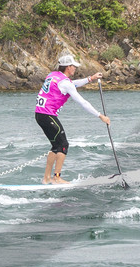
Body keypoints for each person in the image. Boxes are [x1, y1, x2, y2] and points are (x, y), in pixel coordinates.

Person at [34, 51, 112, 184]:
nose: (75, 68)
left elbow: (72, 84)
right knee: (63, 145)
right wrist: (100, 116)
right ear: (68, 67)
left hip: (40, 114)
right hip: (48, 115)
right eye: (73, 66)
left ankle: (46, 178)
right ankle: (57, 178)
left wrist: (90, 78)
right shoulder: (65, 83)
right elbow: (82, 102)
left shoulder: (53, 75)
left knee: (55, 145)